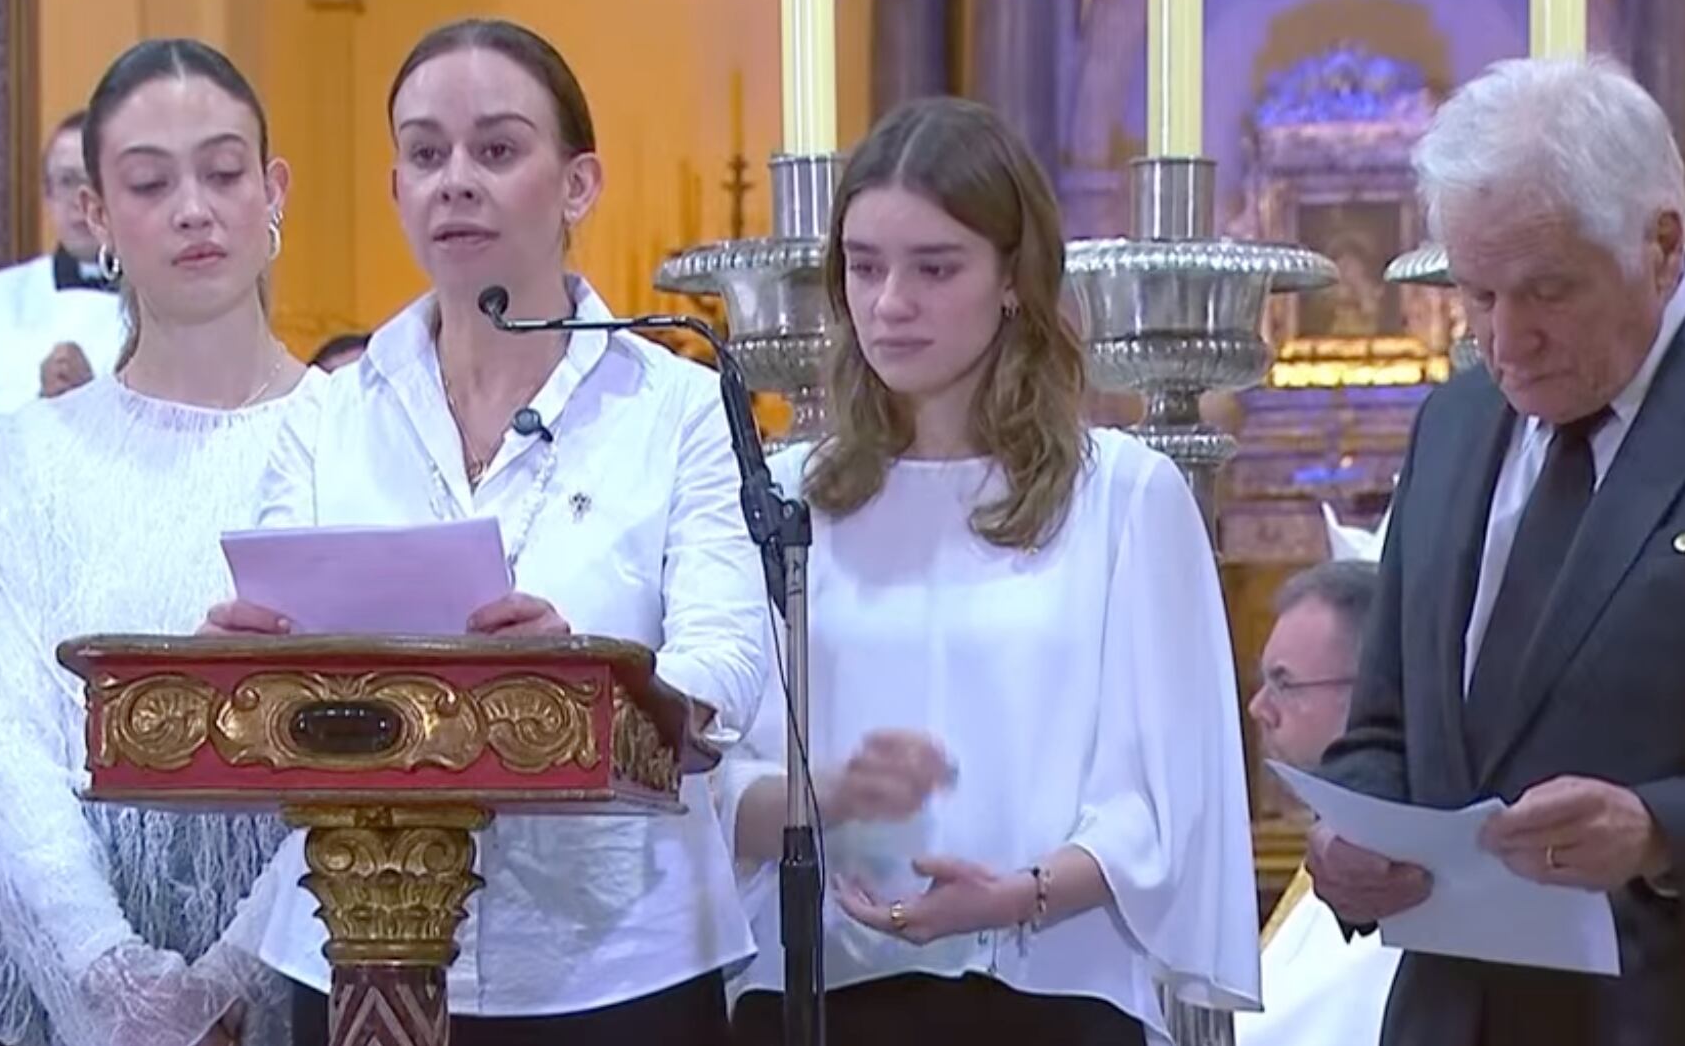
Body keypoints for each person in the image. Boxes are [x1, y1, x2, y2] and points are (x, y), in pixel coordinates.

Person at [202, 17, 771, 1045]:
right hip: (350, 946)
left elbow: (725, 668)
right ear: (395, 189)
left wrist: (588, 675)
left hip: (617, 959)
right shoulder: (325, 415)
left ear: (577, 184)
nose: (454, 180)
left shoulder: (678, 407)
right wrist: (250, 663)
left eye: (496, 150)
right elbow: (272, 647)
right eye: (425, 154)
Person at [718, 97, 1259, 1045]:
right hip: (814, 996)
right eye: (864, 265)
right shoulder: (781, 497)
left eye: (935, 268)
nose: (890, 303)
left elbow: (1169, 798)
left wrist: (1021, 895)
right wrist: (830, 799)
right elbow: (720, 773)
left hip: (1045, 994)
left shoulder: (1124, 498)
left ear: (1013, 277)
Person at [1309, 54, 1685, 1046]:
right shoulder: (1453, 422)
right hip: (1444, 1016)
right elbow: (1379, 728)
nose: (1503, 341)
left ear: (1660, 246)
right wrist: (1350, 836)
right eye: (1474, 295)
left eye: (1545, 291)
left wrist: (1654, 830)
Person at [0, 39, 318, 1046]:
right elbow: (4, 741)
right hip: (78, 985)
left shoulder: (359, 435)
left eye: (223, 170)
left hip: (317, 960)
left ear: (272, 188)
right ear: (99, 216)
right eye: (150, 182)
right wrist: (113, 979)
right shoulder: (31, 457)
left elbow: (385, 738)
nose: (193, 208)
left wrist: (232, 979)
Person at [1238, 561, 1401, 1046]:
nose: (1258, 708)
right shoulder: (1331, 839)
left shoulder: (1385, 868)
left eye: (1284, 683)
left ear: (1369, 689)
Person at [0, 110, 132, 426]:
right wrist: (39, 402)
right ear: (47, 194)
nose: (83, 201)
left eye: (97, 180)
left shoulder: (175, 308)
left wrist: (97, 403)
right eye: (68, 181)